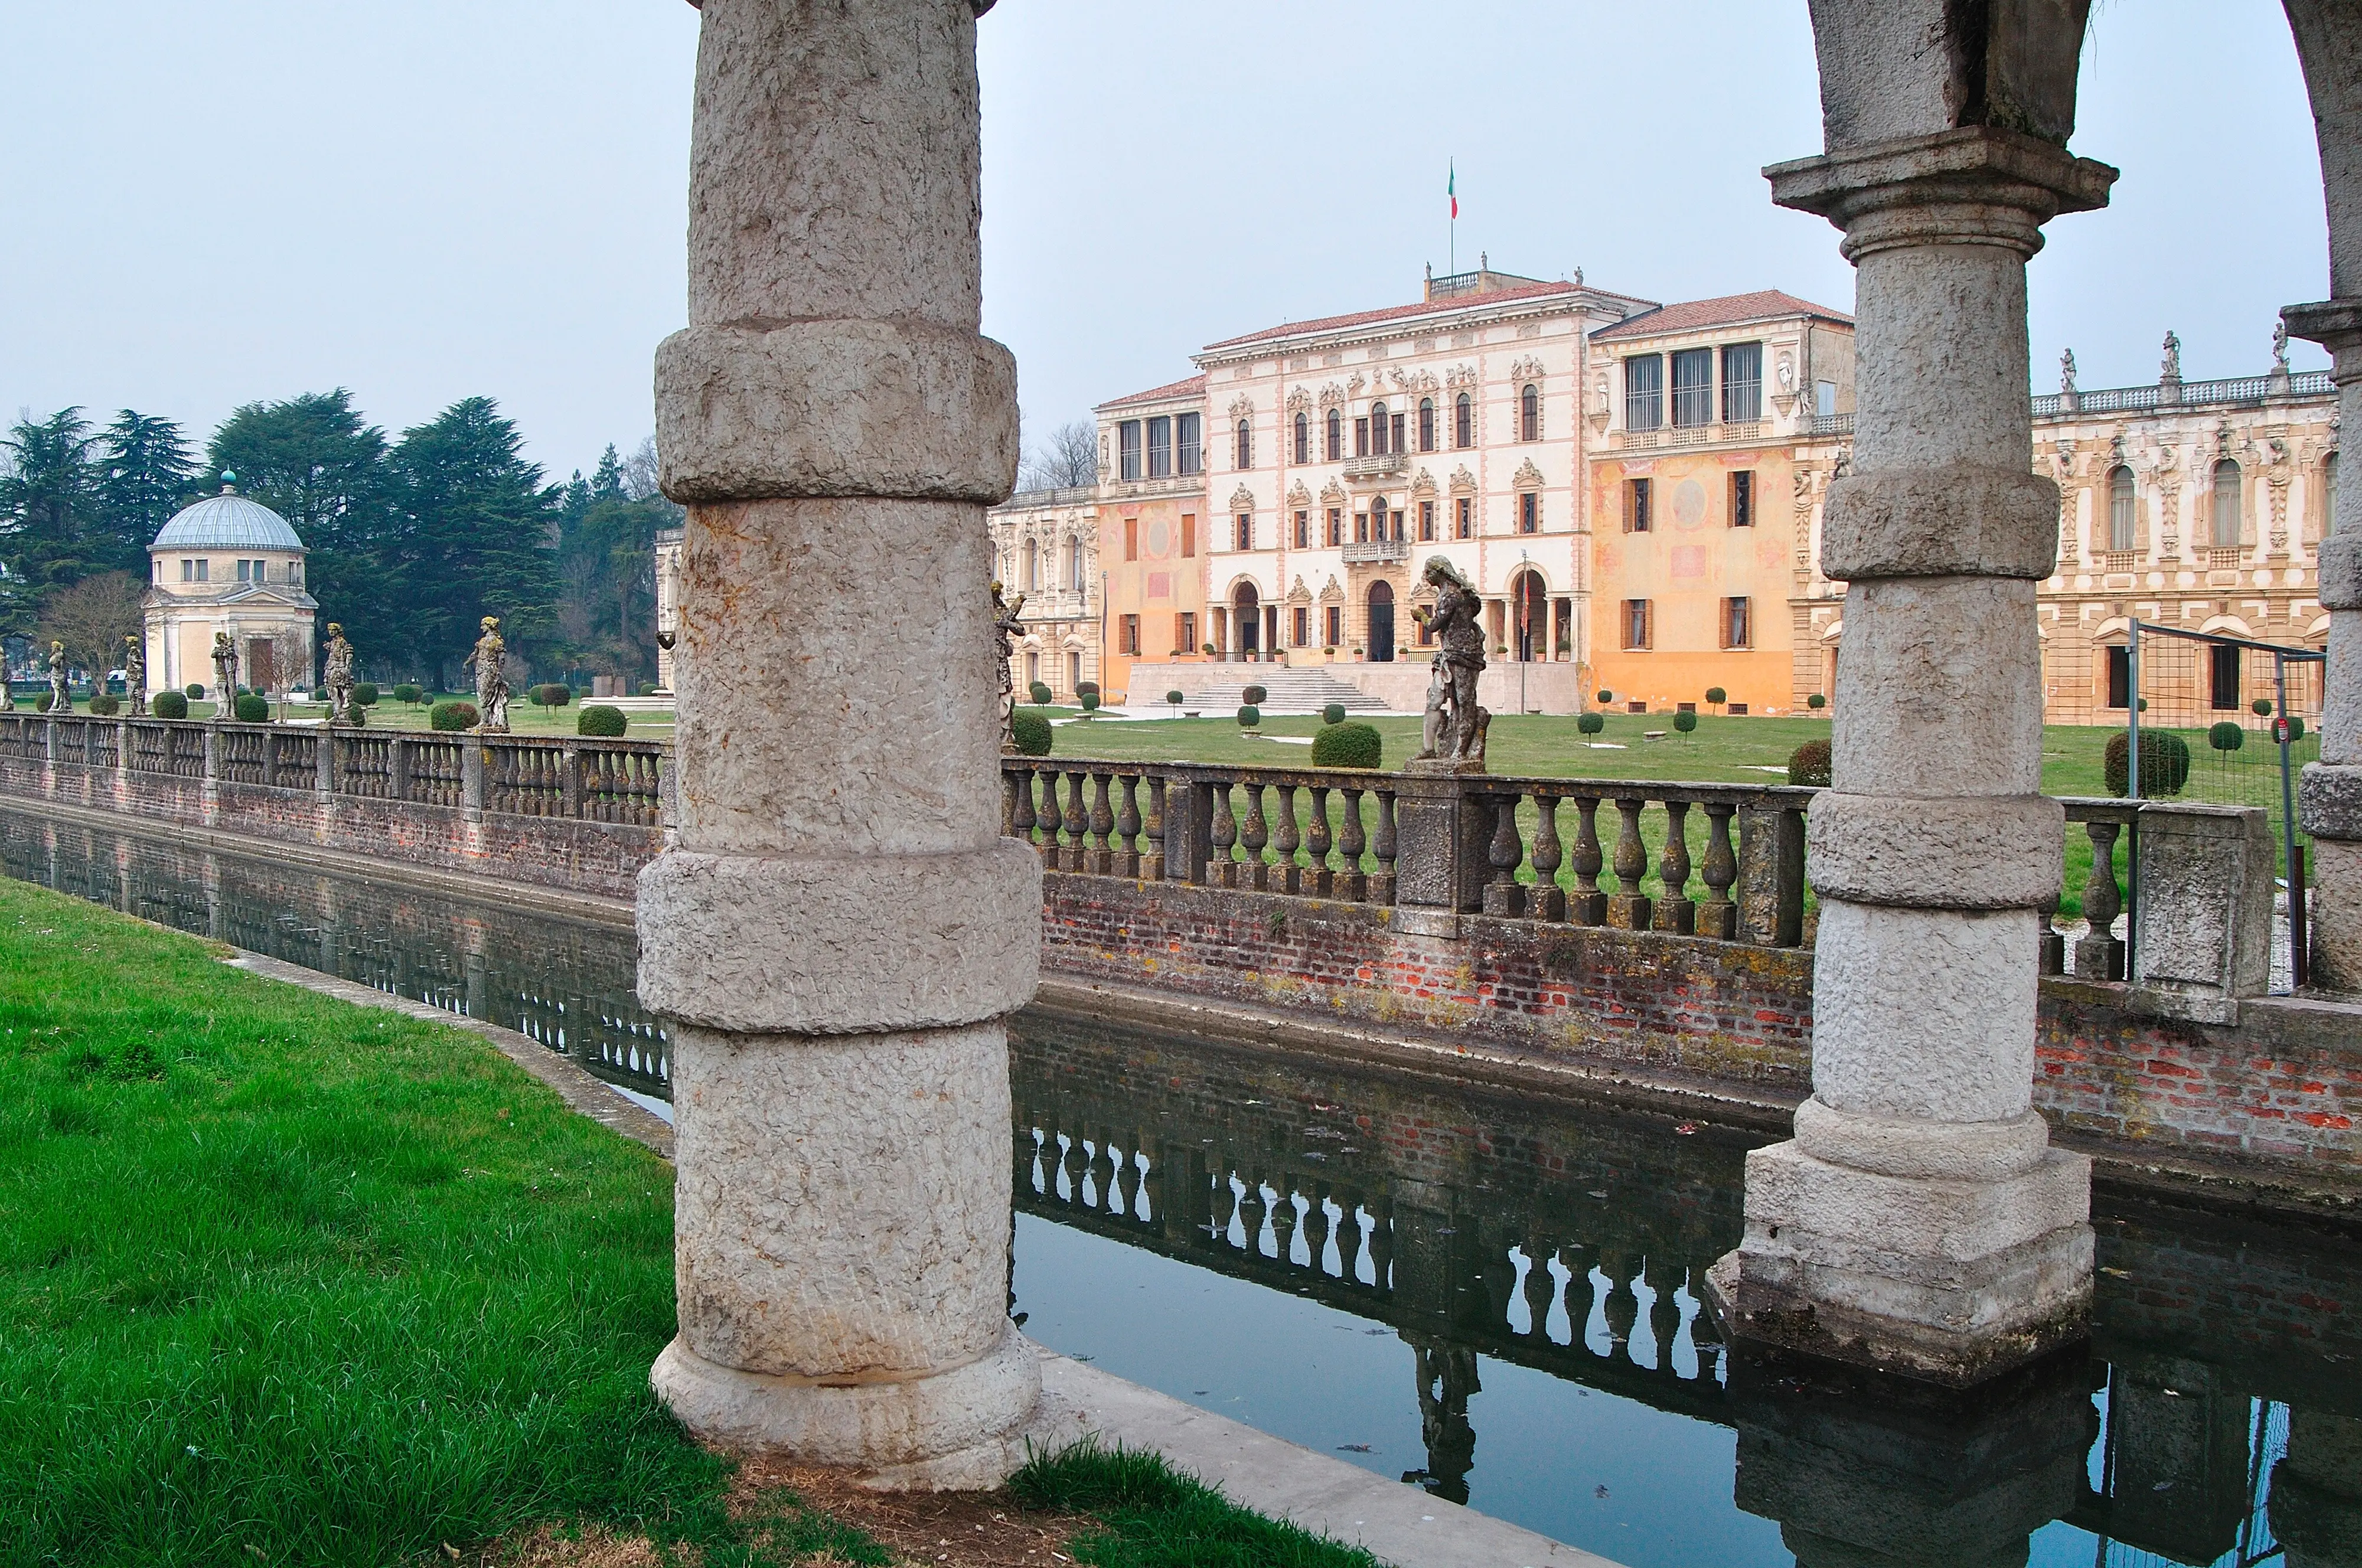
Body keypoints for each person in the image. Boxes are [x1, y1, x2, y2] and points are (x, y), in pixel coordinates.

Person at [1410, 555, 1487, 766]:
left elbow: (1434, 625)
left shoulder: (1451, 596)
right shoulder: (1448, 595)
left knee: (1464, 702)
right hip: (1448, 655)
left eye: (1428, 572)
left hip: (1463, 656)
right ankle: (1428, 749)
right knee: (1434, 701)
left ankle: (1460, 752)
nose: (1425, 577)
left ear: (1440, 572)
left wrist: (1421, 616)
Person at [466, 616, 510, 732]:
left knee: (486, 696)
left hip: (490, 671)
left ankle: (485, 722)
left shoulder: (497, 642)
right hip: (481, 671)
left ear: (489, 626)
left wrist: (499, 672)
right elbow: (475, 654)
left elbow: (501, 659)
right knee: (482, 694)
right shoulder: (482, 641)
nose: (481, 628)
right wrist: (466, 663)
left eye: (483, 625)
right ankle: (487, 721)